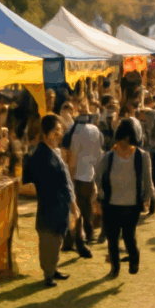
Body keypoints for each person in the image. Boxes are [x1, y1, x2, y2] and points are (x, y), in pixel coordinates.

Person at [95, 119, 154, 278]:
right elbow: (97, 180)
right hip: (111, 204)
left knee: (129, 237)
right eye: (122, 141)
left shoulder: (142, 157)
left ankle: (134, 257)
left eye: (128, 142)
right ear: (117, 139)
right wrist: (98, 199)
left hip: (132, 205)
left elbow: (148, 180)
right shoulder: (107, 157)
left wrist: (148, 199)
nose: (125, 145)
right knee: (112, 239)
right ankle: (115, 268)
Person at [22, 115, 76, 288]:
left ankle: (53, 269)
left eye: (60, 131)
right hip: (50, 205)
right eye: (56, 131)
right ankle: (48, 274)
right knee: (49, 241)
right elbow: (31, 181)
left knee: (57, 240)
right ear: (46, 134)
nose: (60, 135)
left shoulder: (53, 152)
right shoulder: (39, 155)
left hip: (60, 205)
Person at [60, 101, 99, 256]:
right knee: (86, 207)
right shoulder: (95, 130)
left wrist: (69, 176)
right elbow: (97, 153)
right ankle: (86, 235)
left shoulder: (73, 131)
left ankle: (75, 239)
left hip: (77, 174)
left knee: (74, 209)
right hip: (89, 173)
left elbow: (70, 155)